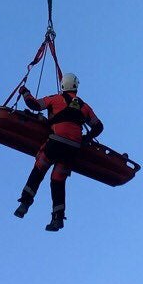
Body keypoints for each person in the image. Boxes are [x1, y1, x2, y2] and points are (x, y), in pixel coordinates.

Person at [15, 72, 103, 231]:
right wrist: (85, 139)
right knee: (58, 180)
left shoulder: (55, 99)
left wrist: (24, 92)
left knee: (39, 169)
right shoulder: (84, 107)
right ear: (76, 86)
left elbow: (34, 104)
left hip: (56, 142)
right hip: (73, 148)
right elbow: (98, 127)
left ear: (63, 85)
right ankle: (58, 219)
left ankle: (25, 203)